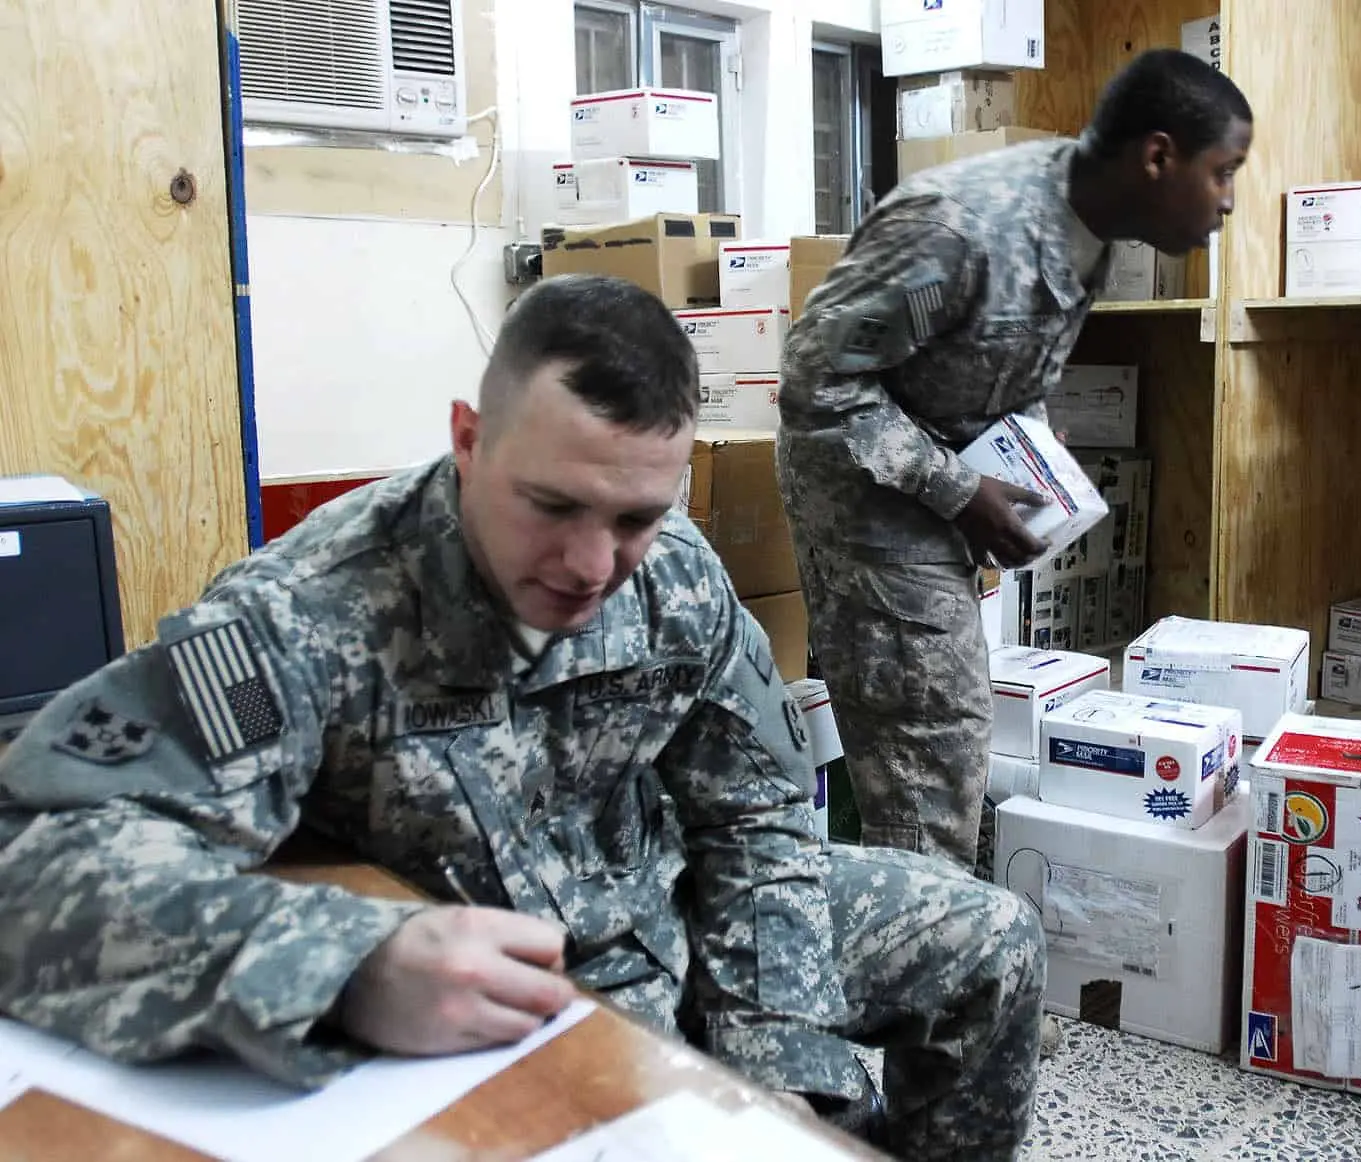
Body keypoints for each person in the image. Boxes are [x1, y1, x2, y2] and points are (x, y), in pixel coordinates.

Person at [0, 274, 1047, 1161]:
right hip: (498, 976)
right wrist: (350, 964)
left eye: (635, 516)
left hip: (669, 910)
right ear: (467, 439)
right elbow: (32, 863)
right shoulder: (310, 611)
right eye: (552, 506)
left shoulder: (675, 569)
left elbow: (756, 815)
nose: (594, 567)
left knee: (992, 932)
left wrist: (783, 1067)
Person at [775, 49, 1253, 872]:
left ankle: (931, 932)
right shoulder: (957, 227)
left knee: (948, 744)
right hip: (868, 511)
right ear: (1157, 156)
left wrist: (1026, 457)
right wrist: (961, 492)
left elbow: (993, 365)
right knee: (931, 757)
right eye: (1223, 172)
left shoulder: (1088, 232)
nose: (1229, 202)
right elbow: (815, 380)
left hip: (934, 496)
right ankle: (917, 960)